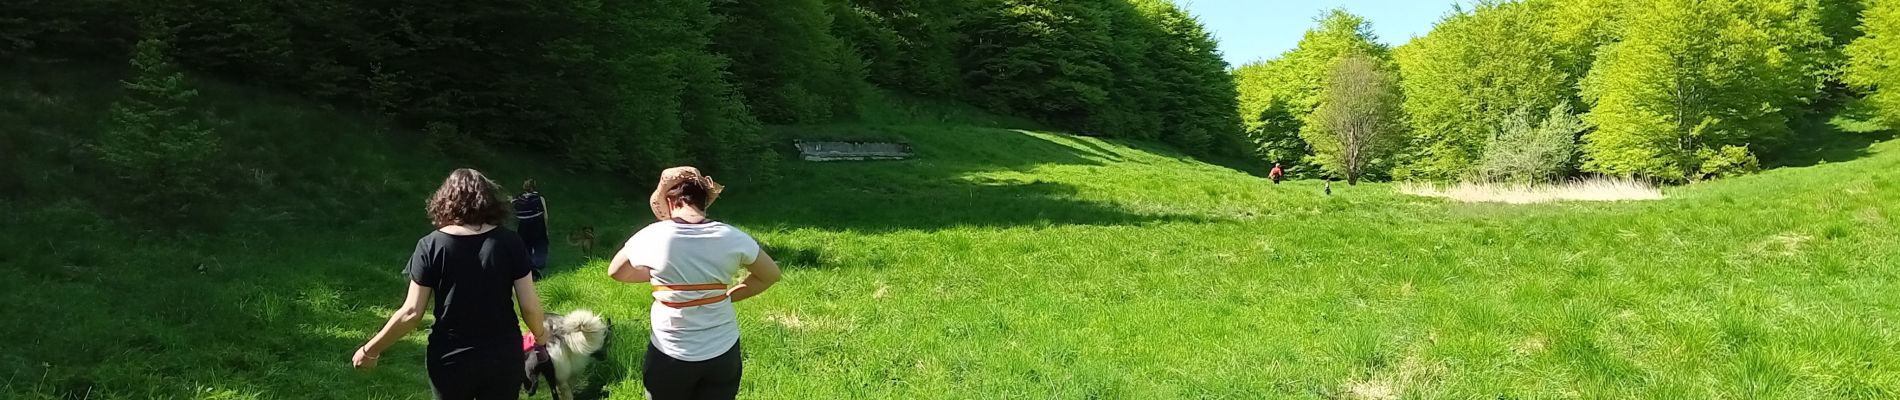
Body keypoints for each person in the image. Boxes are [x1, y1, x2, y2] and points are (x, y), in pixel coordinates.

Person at [354, 168, 551, 400]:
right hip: (502, 355)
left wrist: (371, 350)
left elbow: (411, 312)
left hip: (450, 358)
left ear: (445, 201)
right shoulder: (510, 242)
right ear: (489, 201)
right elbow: (528, 306)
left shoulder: (430, 245)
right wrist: (540, 336)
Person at [611, 167, 779, 400]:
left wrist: (661, 274)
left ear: (670, 201)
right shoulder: (733, 237)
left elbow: (617, 271)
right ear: (703, 202)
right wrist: (728, 295)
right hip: (723, 353)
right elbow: (770, 275)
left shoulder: (652, 235)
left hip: (670, 352)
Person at [514, 179, 550, 279]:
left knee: (526, 247)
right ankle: (537, 269)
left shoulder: (519, 199)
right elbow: (545, 216)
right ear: (535, 187)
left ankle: (527, 268)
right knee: (540, 246)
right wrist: (546, 229)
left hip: (523, 227)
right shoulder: (539, 198)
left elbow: (517, 215)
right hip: (537, 226)